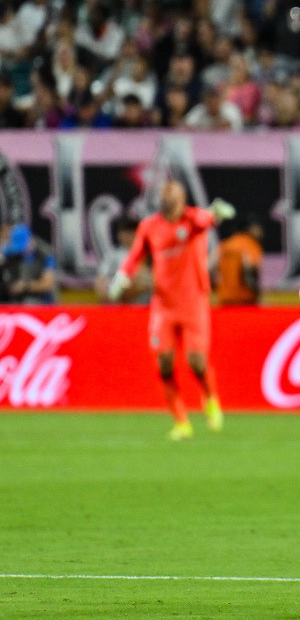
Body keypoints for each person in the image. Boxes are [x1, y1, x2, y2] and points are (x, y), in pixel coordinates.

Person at [108, 181, 236, 441]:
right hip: (163, 306)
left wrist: (217, 214)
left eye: (174, 199)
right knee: (164, 365)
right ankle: (181, 422)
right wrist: (123, 275)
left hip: (194, 303)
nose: (169, 204)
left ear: (183, 199)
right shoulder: (150, 226)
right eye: (165, 199)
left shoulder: (192, 219)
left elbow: (206, 219)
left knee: (196, 363)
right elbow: (135, 255)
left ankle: (209, 398)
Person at [0, 223, 56, 304]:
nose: (20, 251)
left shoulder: (45, 255)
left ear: (30, 241)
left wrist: (24, 286)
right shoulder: (11, 252)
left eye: (22, 247)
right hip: (15, 302)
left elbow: (47, 284)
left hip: (41, 303)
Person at [216, 218, 263, 305]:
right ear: (249, 229)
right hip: (245, 300)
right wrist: (257, 295)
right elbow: (249, 269)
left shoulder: (225, 245)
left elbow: (211, 270)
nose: (260, 231)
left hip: (225, 300)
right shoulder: (250, 245)